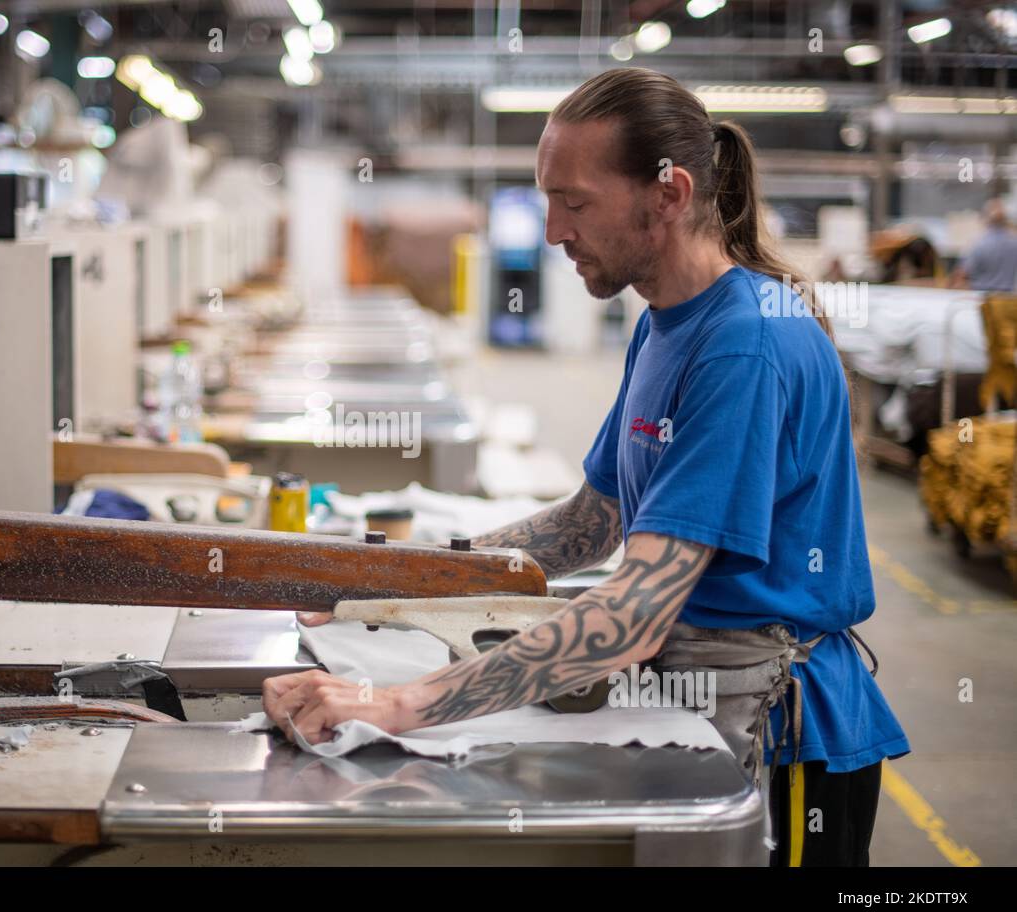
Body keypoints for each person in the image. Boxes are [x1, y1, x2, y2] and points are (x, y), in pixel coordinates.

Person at [263, 67, 909, 867]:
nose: (551, 232)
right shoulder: (665, 322)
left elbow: (633, 613)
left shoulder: (745, 344)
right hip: (693, 708)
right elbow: (589, 521)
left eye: (574, 202)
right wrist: (398, 583)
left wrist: (393, 703)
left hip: (781, 748)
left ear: (668, 195)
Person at [951, 199, 1017, 292]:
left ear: (986, 219)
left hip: (983, 298)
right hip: (1007, 298)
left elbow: (963, 273)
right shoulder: (1014, 243)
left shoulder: (979, 244)